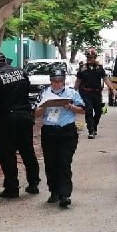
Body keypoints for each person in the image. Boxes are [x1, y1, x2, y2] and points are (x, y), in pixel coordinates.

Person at [0, 51, 41, 198]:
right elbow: (28, 90)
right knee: (27, 151)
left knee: (7, 154)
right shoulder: (21, 72)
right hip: (24, 115)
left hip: (7, 119)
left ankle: (12, 187)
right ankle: (34, 183)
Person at [34, 68, 86, 208]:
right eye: (54, 81)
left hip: (67, 132)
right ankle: (54, 192)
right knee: (51, 163)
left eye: (59, 81)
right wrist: (44, 107)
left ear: (63, 82)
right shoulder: (44, 93)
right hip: (49, 132)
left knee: (64, 163)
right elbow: (35, 113)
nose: (56, 84)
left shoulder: (71, 93)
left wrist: (70, 107)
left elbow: (83, 109)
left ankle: (65, 195)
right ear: (51, 82)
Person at [75, 48, 116, 139]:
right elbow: (78, 81)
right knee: (88, 110)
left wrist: (112, 88)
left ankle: (94, 126)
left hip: (97, 93)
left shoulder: (99, 68)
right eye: (88, 57)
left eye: (92, 57)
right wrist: (74, 92)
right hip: (85, 93)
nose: (90, 59)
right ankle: (91, 130)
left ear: (95, 58)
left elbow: (105, 79)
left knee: (98, 112)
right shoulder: (82, 68)